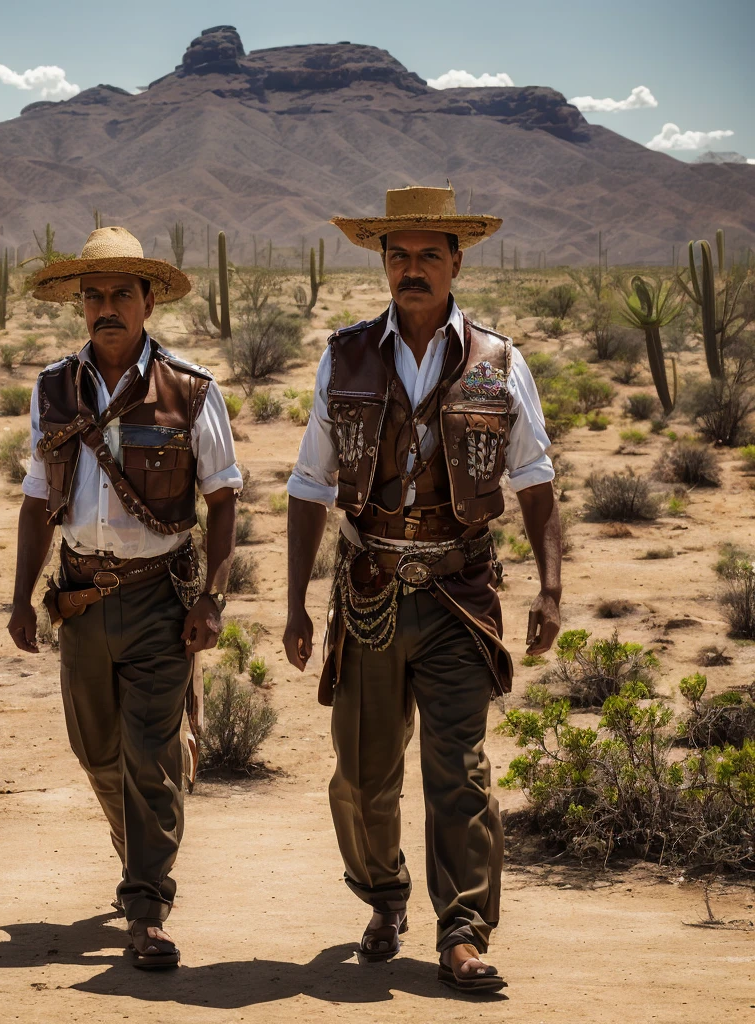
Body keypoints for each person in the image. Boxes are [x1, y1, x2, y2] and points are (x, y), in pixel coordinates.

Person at [282, 184, 562, 993]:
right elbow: (310, 484)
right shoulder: (345, 357)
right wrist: (296, 602)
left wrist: (549, 589)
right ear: (382, 261)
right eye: (398, 255)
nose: (412, 270)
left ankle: (464, 930)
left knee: (459, 768)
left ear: (456, 262)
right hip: (368, 596)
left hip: (458, 596)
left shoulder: (500, 362)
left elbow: (536, 481)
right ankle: (383, 893)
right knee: (362, 775)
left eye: (427, 256)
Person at [7, 226, 241, 969]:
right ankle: (137, 845)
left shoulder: (190, 390)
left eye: (120, 295)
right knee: (95, 750)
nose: (106, 308)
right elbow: (38, 499)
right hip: (77, 599)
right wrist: (19, 598)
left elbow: (225, 498)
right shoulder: (53, 388)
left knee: (151, 755)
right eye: (93, 295)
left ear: (148, 302)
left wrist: (213, 599)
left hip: (157, 600)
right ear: (80, 305)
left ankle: (147, 905)